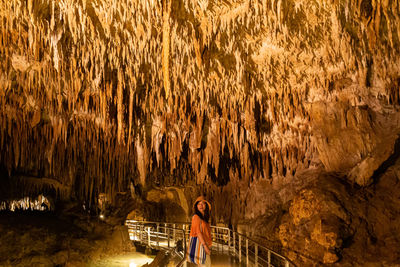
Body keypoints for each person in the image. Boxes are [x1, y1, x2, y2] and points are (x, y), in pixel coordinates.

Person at [188, 196, 212, 267]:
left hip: (206, 244)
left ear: (206, 206)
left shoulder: (204, 218)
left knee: (206, 264)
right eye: (199, 204)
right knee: (205, 264)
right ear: (196, 206)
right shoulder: (196, 217)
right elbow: (198, 232)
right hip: (202, 245)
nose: (201, 205)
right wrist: (205, 246)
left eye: (203, 203)